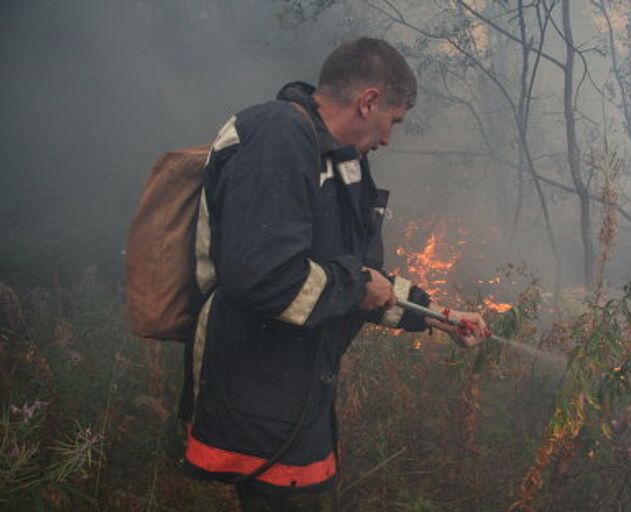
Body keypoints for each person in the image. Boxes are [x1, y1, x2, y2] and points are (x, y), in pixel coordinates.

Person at [180, 37, 488, 511]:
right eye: (394, 121)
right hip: (258, 397)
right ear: (368, 102)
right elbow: (263, 277)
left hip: (298, 399)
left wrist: (435, 314)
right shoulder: (277, 134)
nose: (388, 138)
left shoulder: (343, 163)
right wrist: (360, 285)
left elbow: (361, 280)